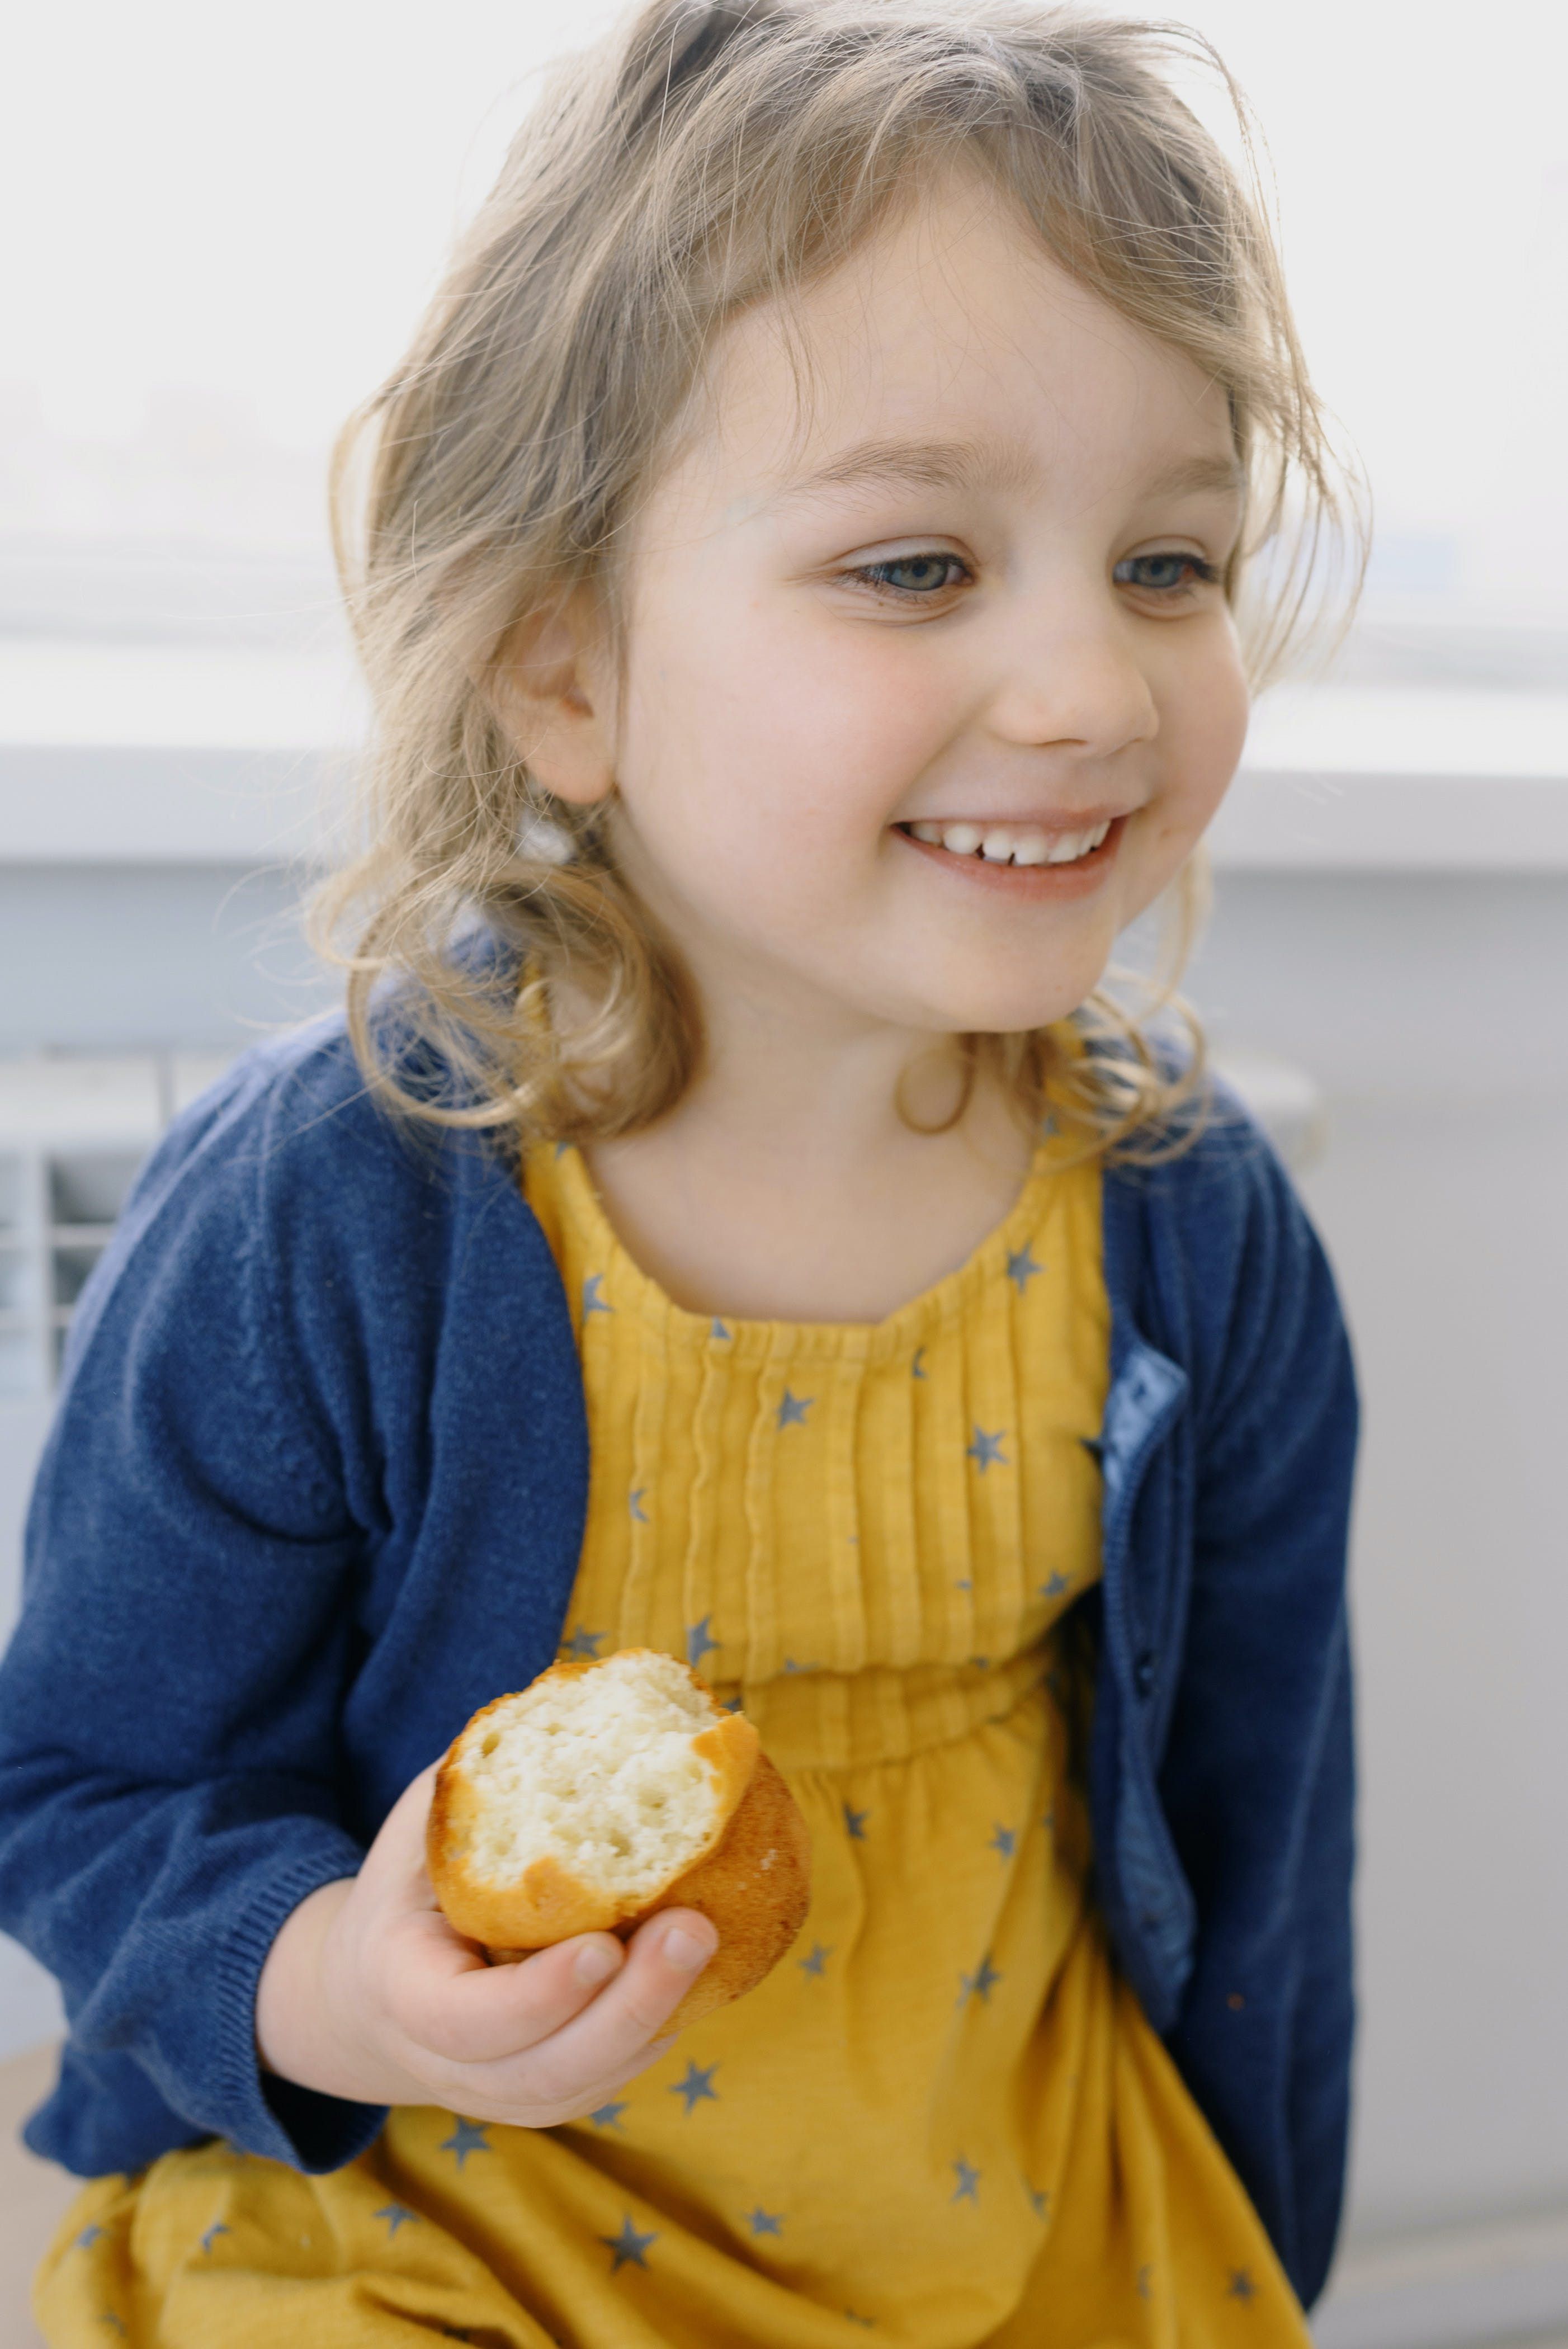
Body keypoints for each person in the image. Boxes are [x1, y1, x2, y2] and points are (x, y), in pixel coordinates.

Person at [0, 2, 1362, 2341]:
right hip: (434, 2236)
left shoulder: (1191, 1222)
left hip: (1008, 2226)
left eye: (1166, 563)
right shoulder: (339, 1202)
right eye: (916, 567)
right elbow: (89, 1778)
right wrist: (340, 1985)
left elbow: (1264, 1856)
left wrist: (1253, 2249)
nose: (1089, 685)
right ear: (562, 665)